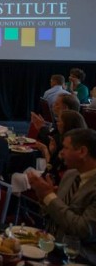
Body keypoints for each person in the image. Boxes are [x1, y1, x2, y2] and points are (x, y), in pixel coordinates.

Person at [27, 128, 96, 264]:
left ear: (82, 152)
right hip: (50, 246)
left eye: (65, 148)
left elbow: (83, 230)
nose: (61, 153)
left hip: (79, 257)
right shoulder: (70, 175)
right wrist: (43, 198)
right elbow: (52, 214)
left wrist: (49, 197)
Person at [33, 110, 87, 185]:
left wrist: (45, 150)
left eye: (59, 121)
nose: (57, 124)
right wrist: (52, 152)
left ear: (67, 125)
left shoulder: (67, 144)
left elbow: (51, 171)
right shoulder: (67, 141)